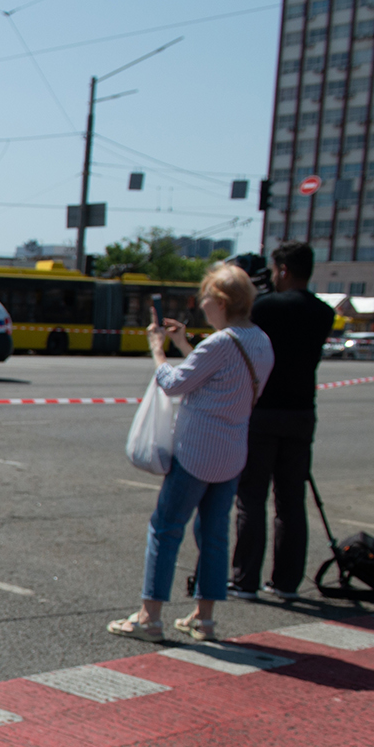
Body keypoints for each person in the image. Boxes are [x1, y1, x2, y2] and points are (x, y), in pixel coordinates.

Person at [110, 261, 274, 643]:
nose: (201, 305)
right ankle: (205, 617)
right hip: (232, 451)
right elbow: (223, 373)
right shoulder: (260, 341)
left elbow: (174, 383)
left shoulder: (220, 343)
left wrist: (159, 351)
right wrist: (185, 344)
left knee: (166, 529)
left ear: (220, 300)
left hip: (196, 451)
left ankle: (149, 617)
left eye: (204, 298)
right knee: (214, 534)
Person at [231, 243, 336, 601]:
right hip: (303, 411)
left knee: (251, 497)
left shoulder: (266, 307)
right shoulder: (324, 312)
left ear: (283, 270)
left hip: (263, 411)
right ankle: (286, 582)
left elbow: (240, 334)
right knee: (291, 501)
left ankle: (245, 579)